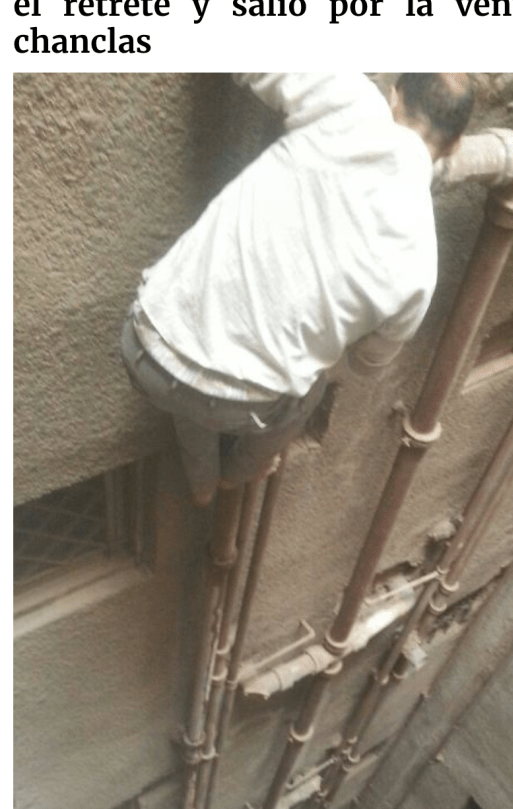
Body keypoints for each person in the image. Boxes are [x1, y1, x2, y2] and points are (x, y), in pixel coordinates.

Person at [122, 72, 475, 507]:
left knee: (193, 376)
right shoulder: (421, 265)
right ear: (455, 145)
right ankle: (239, 473)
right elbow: (365, 364)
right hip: (241, 405)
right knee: (310, 386)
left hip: (148, 346)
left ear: (393, 98)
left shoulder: (349, 101)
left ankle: (200, 482)